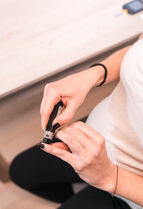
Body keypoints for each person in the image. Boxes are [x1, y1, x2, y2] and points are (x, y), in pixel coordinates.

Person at [9, 33, 143, 209]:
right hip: (96, 134)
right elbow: (136, 49)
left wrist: (109, 177)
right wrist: (93, 75)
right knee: (22, 170)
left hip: (128, 188)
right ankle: (89, 189)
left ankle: (97, 191)